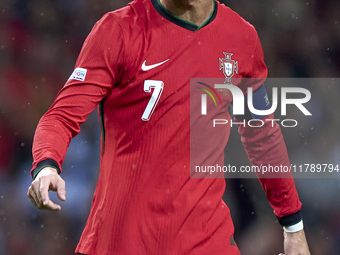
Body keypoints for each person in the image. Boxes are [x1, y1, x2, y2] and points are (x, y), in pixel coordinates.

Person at [27, 0, 311, 254]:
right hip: (122, 241)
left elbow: (262, 135)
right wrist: (47, 165)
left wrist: (293, 226)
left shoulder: (241, 38)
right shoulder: (119, 29)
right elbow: (61, 116)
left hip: (206, 240)